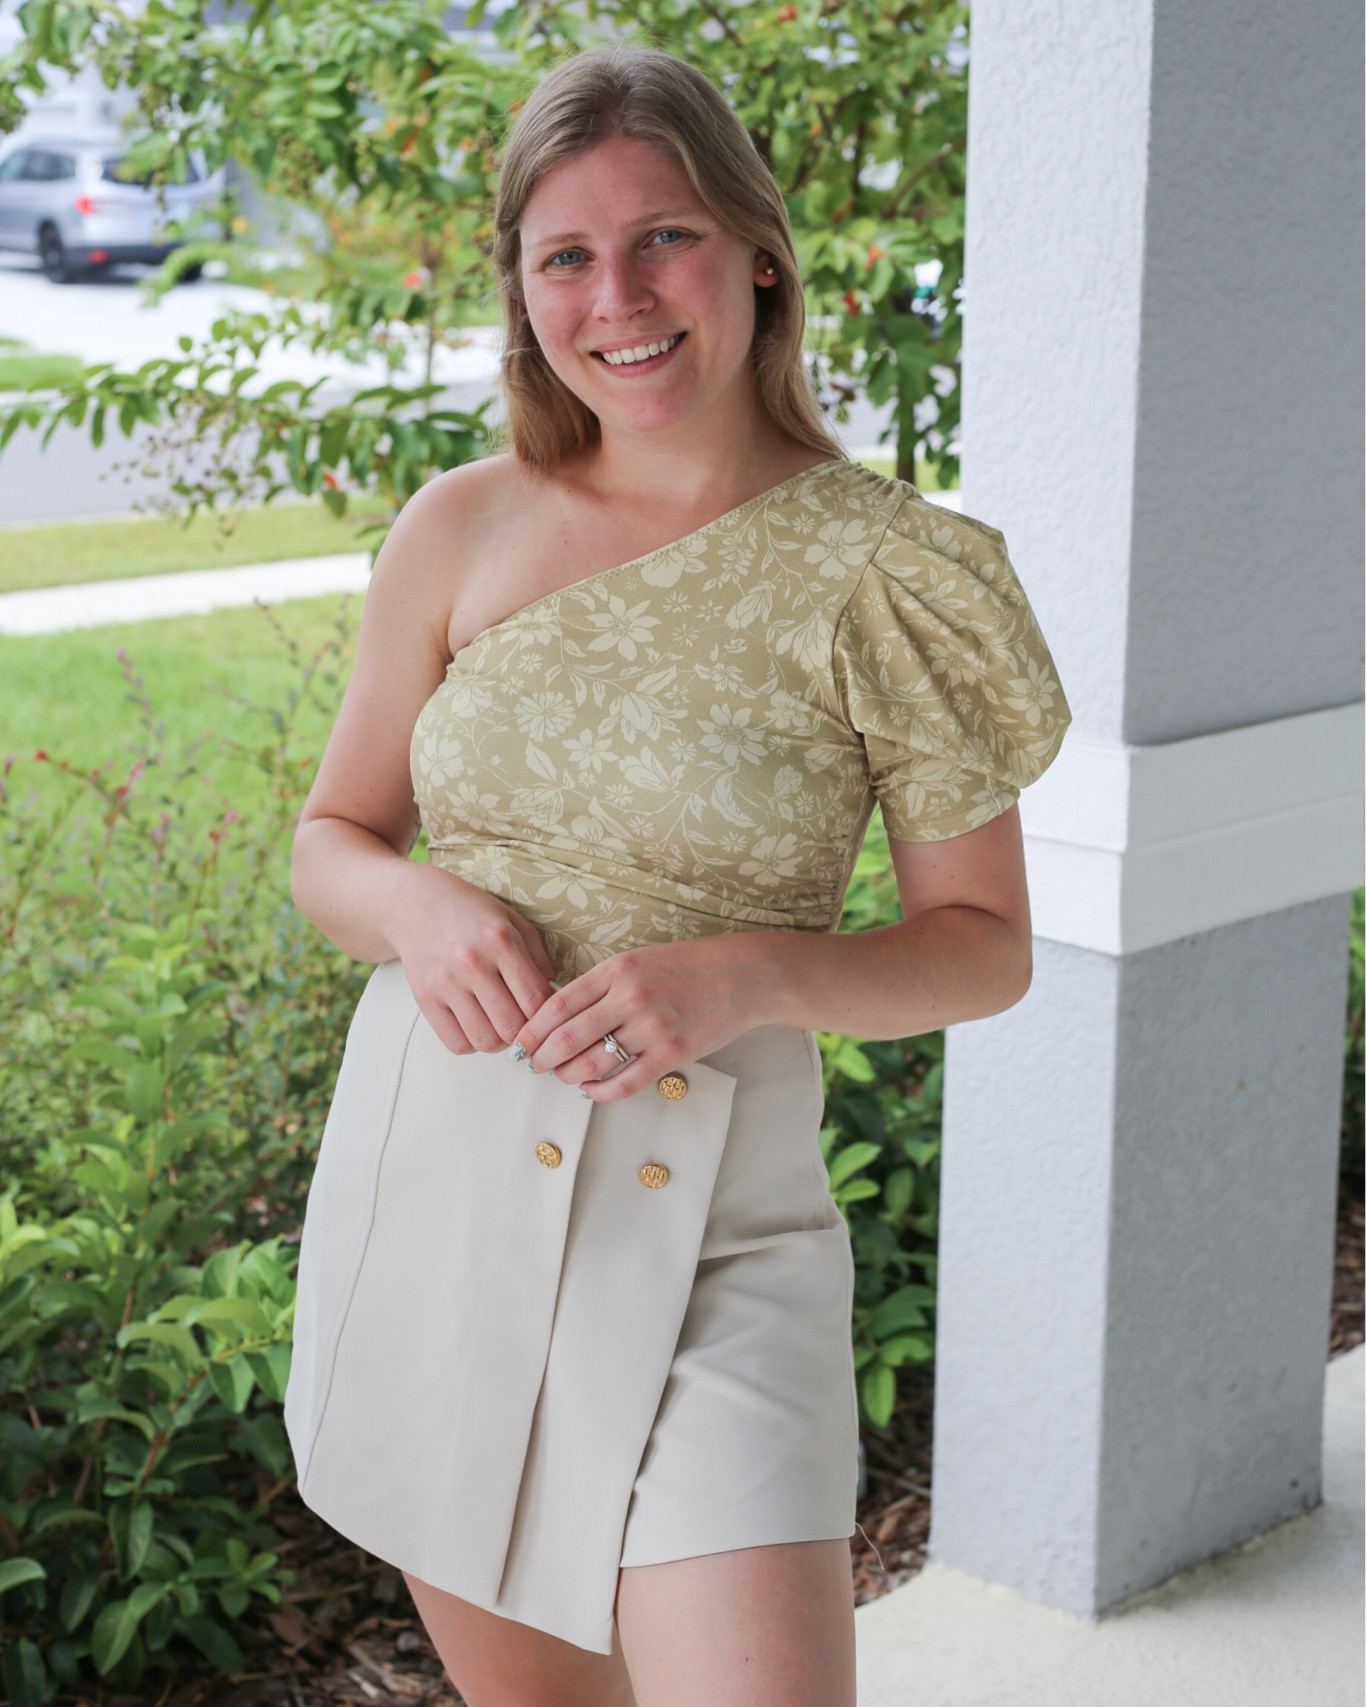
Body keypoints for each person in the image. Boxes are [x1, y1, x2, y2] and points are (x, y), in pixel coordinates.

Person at [283, 44, 1071, 1707]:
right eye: (564, 254)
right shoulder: (459, 525)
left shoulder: (890, 572)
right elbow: (330, 842)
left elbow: (983, 945)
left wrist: (752, 971)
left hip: (714, 1225)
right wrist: (420, 905)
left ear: (759, 253)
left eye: (666, 238)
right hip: (446, 1191)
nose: (618, 296)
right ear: (519, 287)